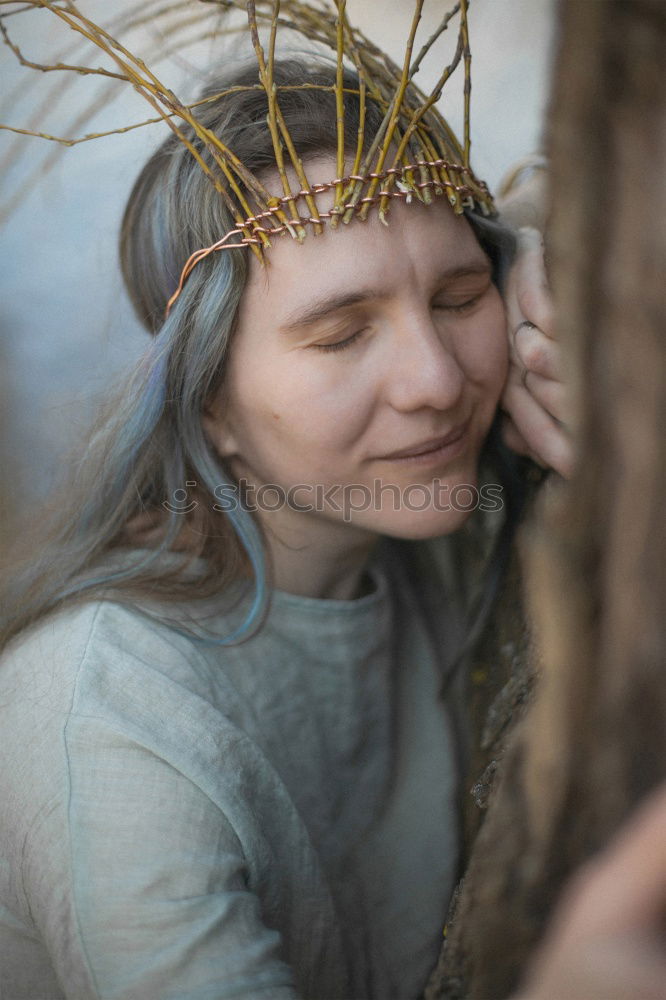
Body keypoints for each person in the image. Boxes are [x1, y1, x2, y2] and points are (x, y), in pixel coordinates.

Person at [0, 51, 661, 1000]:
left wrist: (548, 273)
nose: (436, 383)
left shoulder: (426, 541)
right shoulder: (111, 727)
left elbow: (555, 200)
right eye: (342, 334)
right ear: (209, 405)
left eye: (457, 298)